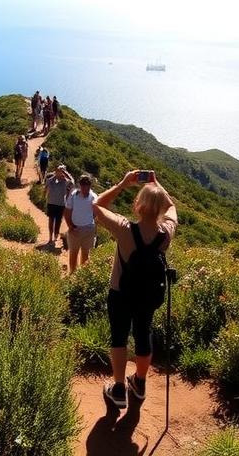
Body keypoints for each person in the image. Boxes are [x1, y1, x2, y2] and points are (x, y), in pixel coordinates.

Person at [92, 171, 179, 410]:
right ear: (160, 209)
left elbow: (96, 204)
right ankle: (139, 383)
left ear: (137, 206)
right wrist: (155, 183)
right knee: (143, 334)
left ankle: (119, 389)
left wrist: (122, 183)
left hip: (121, 292)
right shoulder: (166, 233)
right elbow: (171, 206)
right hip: (148, 296)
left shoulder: (124, 228)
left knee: (119, 337)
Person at [64, 173, 96, 274]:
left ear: (90, 185)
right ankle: (72, 274)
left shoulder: (94, 197)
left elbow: (95, 213)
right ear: (79, 184)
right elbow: (67, 211)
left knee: (85, 254)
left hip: (88, 230)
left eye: (86, 184)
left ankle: (82, 276)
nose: (84, 186)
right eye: (82, 184)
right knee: (73, 254)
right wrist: (70, 226)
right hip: (75, 229)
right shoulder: (74, 195)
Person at [44, 164, 74, 246]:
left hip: (61, 204)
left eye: (62, 171)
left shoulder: (66, 182)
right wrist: (55, 174)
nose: (60, 172)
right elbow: (46, 183)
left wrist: (65, 172)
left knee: (58, 221)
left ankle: (56, 235)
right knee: (51, 220)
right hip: (51, 203)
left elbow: (72, 182)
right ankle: (50, 237)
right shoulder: (51, 180)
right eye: (58, 170)